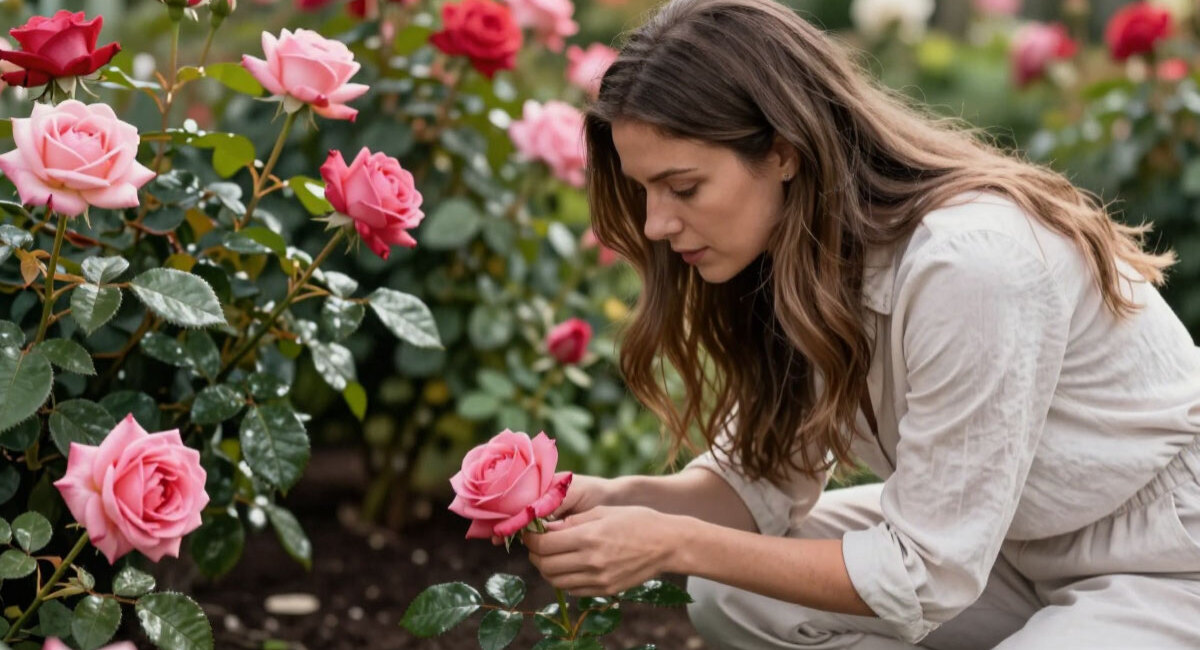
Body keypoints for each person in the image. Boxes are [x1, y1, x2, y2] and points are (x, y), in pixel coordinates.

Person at [519, 0, 1200, 647]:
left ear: (783, 151)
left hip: (1164, 559)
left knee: (724, 565)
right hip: (1005, 551)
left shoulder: (970, 264)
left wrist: (675, 542)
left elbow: (926, 572)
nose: (654, 225)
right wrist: (614, 501)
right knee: (731, 593)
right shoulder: (800, 256)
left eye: (684, 187)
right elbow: (759, 483)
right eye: (644, 190)